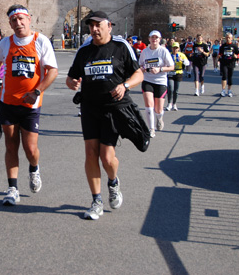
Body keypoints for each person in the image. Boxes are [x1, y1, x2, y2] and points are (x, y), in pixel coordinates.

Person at [66, 11, 147, 220]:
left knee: (107, 158)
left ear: (109, 26)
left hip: (113, 109)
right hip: (90, 109)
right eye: (90, 26)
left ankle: (113, 182)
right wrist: (73, 83)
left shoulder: (121, 46)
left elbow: (138, 73)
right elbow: (70, 78)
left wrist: (125, 85)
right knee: (91, 154)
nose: (94, 29)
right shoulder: (84, 51)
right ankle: (96, 200)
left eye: (98, 25)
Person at [0, 5, 58, 206]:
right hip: (8, 102)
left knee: (30, 148)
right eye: (14, 20)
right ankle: (12, 188)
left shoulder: (41, 41)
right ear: (9, 23)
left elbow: (52, 71)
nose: (18, 23)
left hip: (31, 105)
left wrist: (36, 91)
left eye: (21, 19)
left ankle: (34, 169)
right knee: (10, 146)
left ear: (29, 19)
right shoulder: (5, 43)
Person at [139, 30, 174, 138]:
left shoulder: (163, 51)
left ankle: (159, 118)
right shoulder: (144, 52)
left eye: (156, 38)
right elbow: (140, 66)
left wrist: (160, 69)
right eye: (152, 37)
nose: (154, 39)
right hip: (148, 80)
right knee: (149, 105)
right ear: (149, 39)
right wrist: (144, 69)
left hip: (160, 82)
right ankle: (151, 129)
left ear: (159, 39)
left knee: (158, 110)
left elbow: (172, 67)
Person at [166, 42, 189, 111]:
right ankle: (169, 103)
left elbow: (187, 63)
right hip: (170, 73)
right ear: (172, 48)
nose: (175, 49)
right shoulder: (169, 55)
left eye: (176, 48)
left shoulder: (181, 55)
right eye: (174, 48)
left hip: (178, 73)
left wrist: (182, 60)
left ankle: (174, 103)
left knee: (176, 90)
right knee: (170, 88)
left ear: (178, 48)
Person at [218, 32, 239, 97]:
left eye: (229, 38)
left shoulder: (234, 46)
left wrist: (237, 56)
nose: (228, 39)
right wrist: (219, 56)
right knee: (224, 76)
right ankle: (223, 90)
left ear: (231, 38)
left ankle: (229, 90)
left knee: (230, 77)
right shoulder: (223, 46)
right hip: (224, 63)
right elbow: (220, 54)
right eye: (227, 37)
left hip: (231, 63)